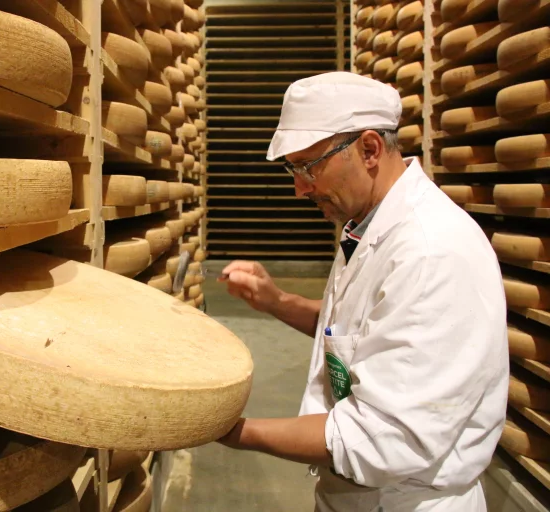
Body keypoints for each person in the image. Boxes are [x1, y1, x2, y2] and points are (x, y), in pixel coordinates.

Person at [215, 72, 509, 511]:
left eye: (308, 167)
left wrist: (230, 431)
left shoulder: (431, 254)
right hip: (359, 493)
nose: (299, 188)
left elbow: (379, 438)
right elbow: (363, 331)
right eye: (293, 170)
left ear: (369, 149)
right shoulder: (368, 223)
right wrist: (276, 302)